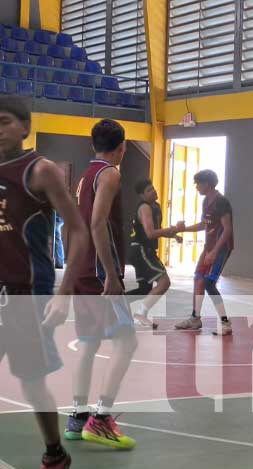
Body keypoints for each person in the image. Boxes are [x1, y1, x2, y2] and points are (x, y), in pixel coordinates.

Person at [0, 96, 88, 469]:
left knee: (32, 382)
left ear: (24, 127)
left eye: (3, 122)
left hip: (26, 295)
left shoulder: (40, 170)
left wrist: (64, 291)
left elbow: (78, 229)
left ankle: (55, 455)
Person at [64, 119, 138, 449]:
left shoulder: (85, 175)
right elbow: (97, 224)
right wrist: (110, 273)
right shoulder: (110, 174)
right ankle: (101, 418)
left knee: (88, 343)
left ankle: (78, 416)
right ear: (121, 148)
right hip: (97, 272)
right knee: (127, 343)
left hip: (81, 267)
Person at [174, 169, 234, 335]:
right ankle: (195, 318)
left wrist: (215, 251)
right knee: (198, 280)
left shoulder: (221, 202)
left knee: (208, 283)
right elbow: (203, 225)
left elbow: (227, 229)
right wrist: (184, 229)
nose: (196, 187)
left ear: (207, 184)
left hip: (221, 248)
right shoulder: (206, 201)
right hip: (209, 247)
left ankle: (225, 323)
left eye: (198, 184)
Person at [126, 179, 182, 328]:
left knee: (144, 290)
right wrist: (171, 230)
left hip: (143, 250)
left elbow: (157, 229)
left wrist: (172, 235)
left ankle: (118, 303)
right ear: (142, 195)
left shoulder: (155, 206)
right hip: (141, 250)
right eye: (149, 190)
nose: (154, 191)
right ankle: (141, 314)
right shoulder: (144, 208)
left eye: (154, 188)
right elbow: (150, 234)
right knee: (164, 282)